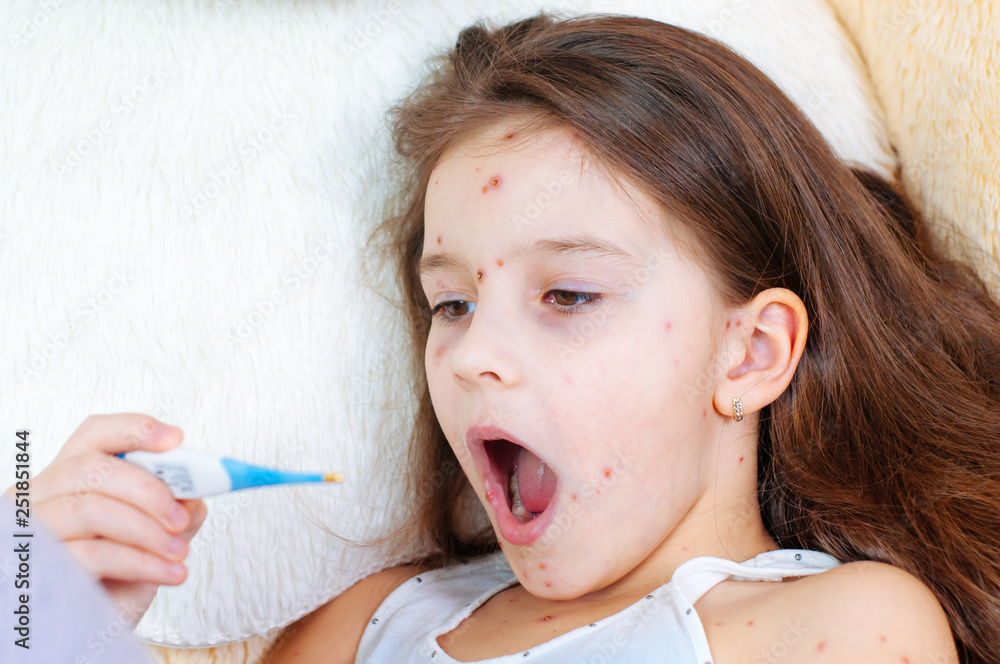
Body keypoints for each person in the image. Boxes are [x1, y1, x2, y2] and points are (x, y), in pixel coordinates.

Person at [18, 11, 1000, 664]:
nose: (471, 355)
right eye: (451, 304)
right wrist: (49, 613)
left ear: (749, 354)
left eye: (568, 294)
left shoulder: (837, 625)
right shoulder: (367, 620)